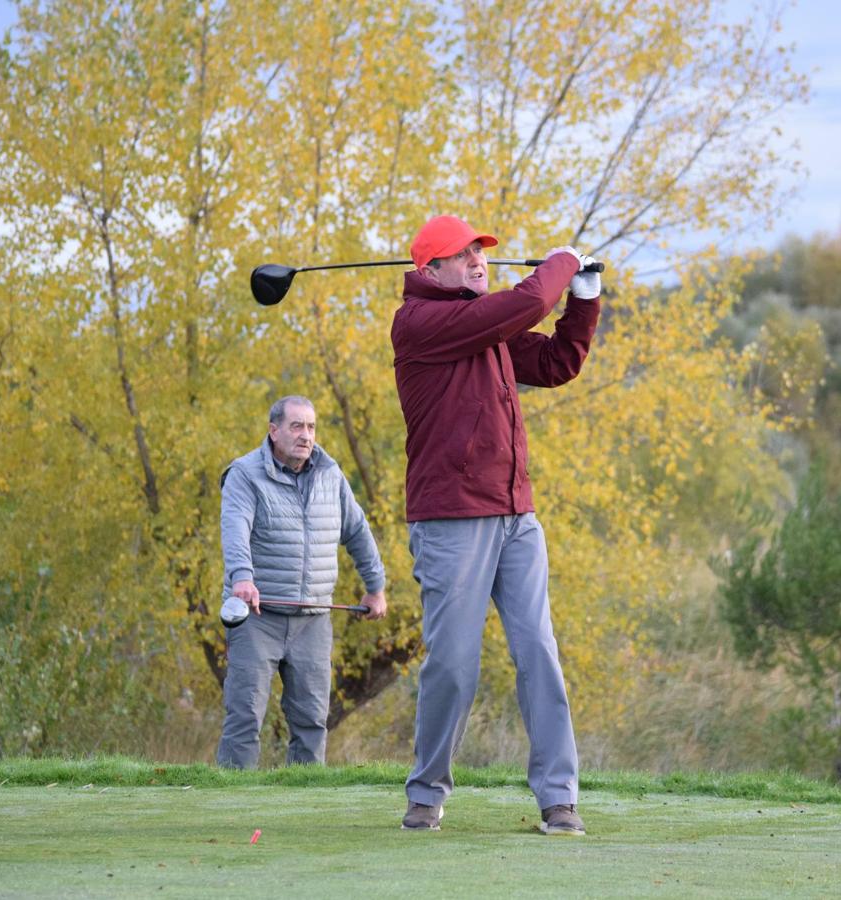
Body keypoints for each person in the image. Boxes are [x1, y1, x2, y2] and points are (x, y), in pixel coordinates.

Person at [391, 215, 602, 834]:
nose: (479, 261)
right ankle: (426, 792)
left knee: (540, 653)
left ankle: (558, 799)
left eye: (481, 252)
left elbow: (560, 360)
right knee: (455, 664)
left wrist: (584, 298)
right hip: (452, 519)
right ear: (430, 272)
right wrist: (562, 261)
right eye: (463, 256)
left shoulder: (488, 328)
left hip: (517, 515)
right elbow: (532, 298)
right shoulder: (423, 323)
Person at [216, 395, 388, 768]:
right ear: (273, 430)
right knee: (245, 718)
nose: (305, 435)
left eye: (311, 427)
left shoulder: (331, 474)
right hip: (256, 618)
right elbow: (235, 529)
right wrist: (242, 578)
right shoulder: (244, 474)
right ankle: (230, 805)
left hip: (313, 619)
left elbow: (357, 531)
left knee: (311, 722)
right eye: (296, 426)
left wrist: (375, 587)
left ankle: (305, 804)